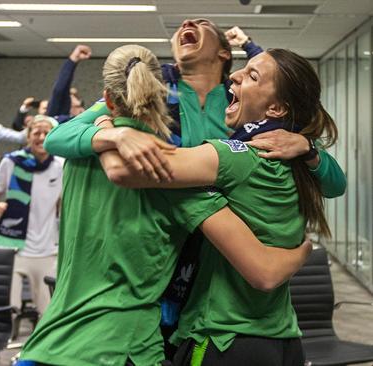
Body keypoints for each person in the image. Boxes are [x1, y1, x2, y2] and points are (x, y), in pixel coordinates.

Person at [42, 21, 346, 358]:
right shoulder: (150, 90)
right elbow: (57, 137)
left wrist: (308, 146)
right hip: (165, 266)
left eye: (203, 25)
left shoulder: (255, 129)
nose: (188, 24)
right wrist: (111, 134)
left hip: (217, 271)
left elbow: (335, 184)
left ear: (222, 53)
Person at [99, 48, 333, 365]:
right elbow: (337, 182)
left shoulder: (238, 157)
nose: (234, 75)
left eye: (252, 76)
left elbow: (123, 171)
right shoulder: (298, 162)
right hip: (283, 339)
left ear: (276, 108)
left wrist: (104, 125)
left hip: (224, 339)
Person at [0, 115, 63, 315]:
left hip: (46, 250)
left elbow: (63, 204)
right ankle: (6, 344)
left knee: (48, 313)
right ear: (28, 137)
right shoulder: (11, 162)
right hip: (12, 248)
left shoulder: (61, 166)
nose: (42, 137)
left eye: (47, 133)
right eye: (36, 132)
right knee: (6, 311)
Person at [46, 45, 91, 123]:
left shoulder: (84, 121)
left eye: (80, 106)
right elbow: (59, 89)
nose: (81, 110)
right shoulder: (56, 118)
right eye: (77, 107)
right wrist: (73, 60)